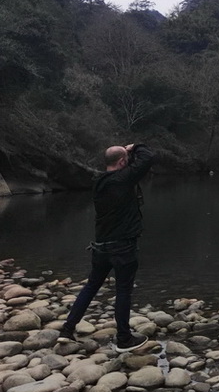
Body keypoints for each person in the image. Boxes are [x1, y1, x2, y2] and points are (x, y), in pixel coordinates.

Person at [58, 142, 155, 352]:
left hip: (101, 246)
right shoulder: (123, 179)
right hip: (123, 247)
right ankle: (124, 339)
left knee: (91, 286)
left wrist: (126, 153)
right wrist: (134, 147)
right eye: (126, 160)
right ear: (122, 161)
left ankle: (67, 329)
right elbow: (148, 157)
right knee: (123, 291)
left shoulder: (99, 181)